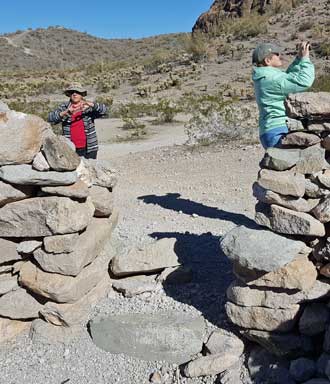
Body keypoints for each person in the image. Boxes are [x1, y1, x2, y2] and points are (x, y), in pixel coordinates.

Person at [252, 41, 315, 149]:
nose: (279, 56)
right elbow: (304, 82)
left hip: (271, 130)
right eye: (276, 54)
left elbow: (288, 76)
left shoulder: (264, 77)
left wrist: (299, 59)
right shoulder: (272, 79)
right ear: (267, 61)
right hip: (278, 130)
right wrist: (305, 60)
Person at [48, 83, 107, 159]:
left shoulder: (88, 108)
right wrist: (66, 112)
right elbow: (50, 118)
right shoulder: (64, 107)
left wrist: (91, 104)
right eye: (72, 92)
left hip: (89, 147)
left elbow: (105, 111)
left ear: (82, 95)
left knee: (90, 170)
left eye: (77, 92)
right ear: (69, 94)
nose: (75, 94)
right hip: (70, 147)